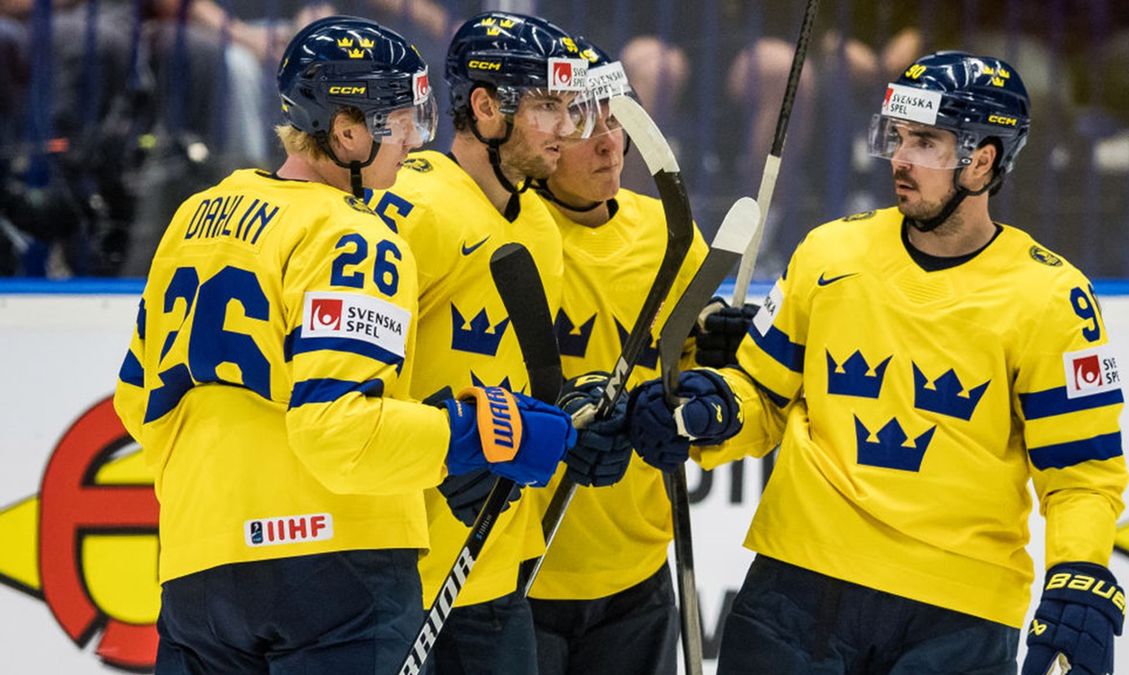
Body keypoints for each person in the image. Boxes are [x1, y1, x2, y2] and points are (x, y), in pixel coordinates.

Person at [623, 51, 1129, 674]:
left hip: (957, 619)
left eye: (926, 143)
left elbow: (1081, 471)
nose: (900, 158)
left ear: (983, 160)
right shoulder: (830, 253)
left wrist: (1080, 574)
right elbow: (763, 396)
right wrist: (707, 411)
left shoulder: (1054, 298)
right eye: (897, 136)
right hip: (796, 590)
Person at [112, 16, 573, 673]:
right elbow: (339, 429)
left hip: (199, 566)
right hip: (336, 573)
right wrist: (479, 434)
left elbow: (137, 403)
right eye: (401, 119)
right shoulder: (355, 238)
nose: (413, 140)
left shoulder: (198, 215)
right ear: (349, 130)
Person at [363, 11, 597, 675]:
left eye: (568, 105)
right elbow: (342, 382)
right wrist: (442, 442)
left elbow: (514, 381)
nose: (566, 129)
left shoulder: (542, 230)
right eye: (547, 107)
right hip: (394, 576)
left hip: (489, 571)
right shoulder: (410, 209)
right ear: (486, 106)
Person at [523, 36, 709, 675]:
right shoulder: (505, 233)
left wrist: (715, 363)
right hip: (517, 573)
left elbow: (697, 372)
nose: (609, 142)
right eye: (584, 122)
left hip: (637, 571)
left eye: (616, 116)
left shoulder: (670, 233)